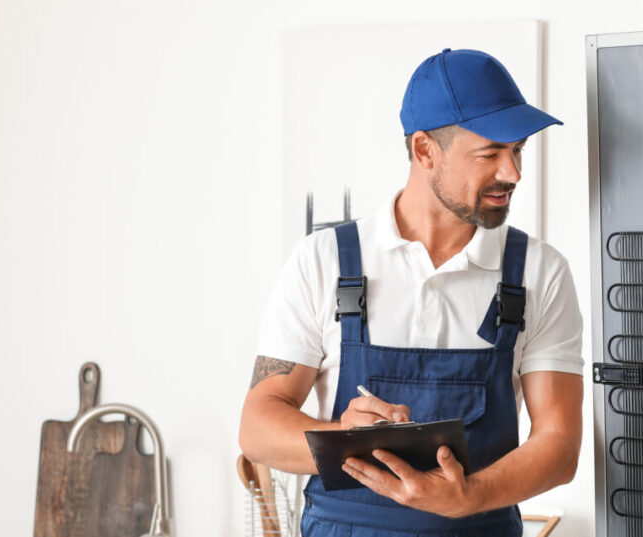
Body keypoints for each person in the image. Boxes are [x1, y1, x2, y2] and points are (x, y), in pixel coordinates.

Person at [239, 48, 583, 537]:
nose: (513, 173)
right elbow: (257, 428)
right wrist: (344, 437)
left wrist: (471, 497)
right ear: (424, 151)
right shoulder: (324, 262)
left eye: (519, 150)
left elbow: (560, 443)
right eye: (490, 153)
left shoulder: (539, 272)